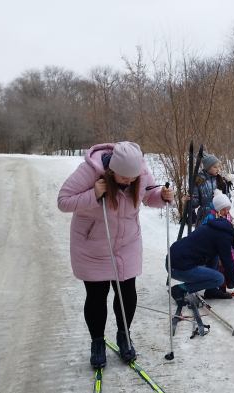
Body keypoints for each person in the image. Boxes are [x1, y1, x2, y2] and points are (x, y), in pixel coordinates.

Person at [57, 142, 174, 368]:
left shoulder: (140, 172)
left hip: (127, 242)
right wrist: (94, 195)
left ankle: (124, 336)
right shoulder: (89, 172)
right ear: (111, 170)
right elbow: (63, 201)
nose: (130, 182)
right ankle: (98, 343)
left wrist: (163, 195)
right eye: (124, 178)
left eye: (133, 178)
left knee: (126, 293)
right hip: (93, 244)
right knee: (97, 295)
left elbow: (150, 197)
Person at [167, 216, 234, 303]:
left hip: (174, 260)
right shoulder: (224, 237)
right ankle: (179, 289)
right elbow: (228, 262)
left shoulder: (219, 228)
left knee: (215, 255)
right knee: (218, 279)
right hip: (178, 267)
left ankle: (211, 290)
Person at [189, 153, 232, 226]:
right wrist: (190, 200)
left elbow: (228, 199)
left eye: (218, 167)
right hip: (204, 217)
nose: (218, 169)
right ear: (207, 167)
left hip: (221, 216)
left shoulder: (221, 181)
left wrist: (225, 209)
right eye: (215, 167)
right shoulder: (199, 181)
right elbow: (195, 202)